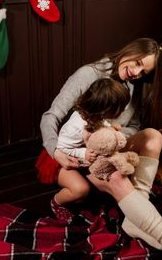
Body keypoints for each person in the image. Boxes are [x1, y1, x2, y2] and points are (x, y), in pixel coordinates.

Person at [37, 37, 162, 260]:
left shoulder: (134, 86)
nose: (136, 72)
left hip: (112, 145)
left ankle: (136, 218)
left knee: (154, 136)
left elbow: (134, 125)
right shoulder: (89, 74)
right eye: (137, 62)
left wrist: (117, 136)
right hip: (80, 153)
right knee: (117, 178)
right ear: (130, 51)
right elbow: (49, 117)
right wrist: (56, 152)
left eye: (144, 71)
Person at [52, 77, 131, 221]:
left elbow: (101, 126)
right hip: (64, 162)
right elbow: (61, 148)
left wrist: (109, 129)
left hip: (87, 160)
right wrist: (82, 152)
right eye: (120, 109)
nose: (122, 112)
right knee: (81, 189)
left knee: (110, 174)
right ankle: (57, 202)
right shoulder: (75, 126)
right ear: (105, 108)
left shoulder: (96, 116)